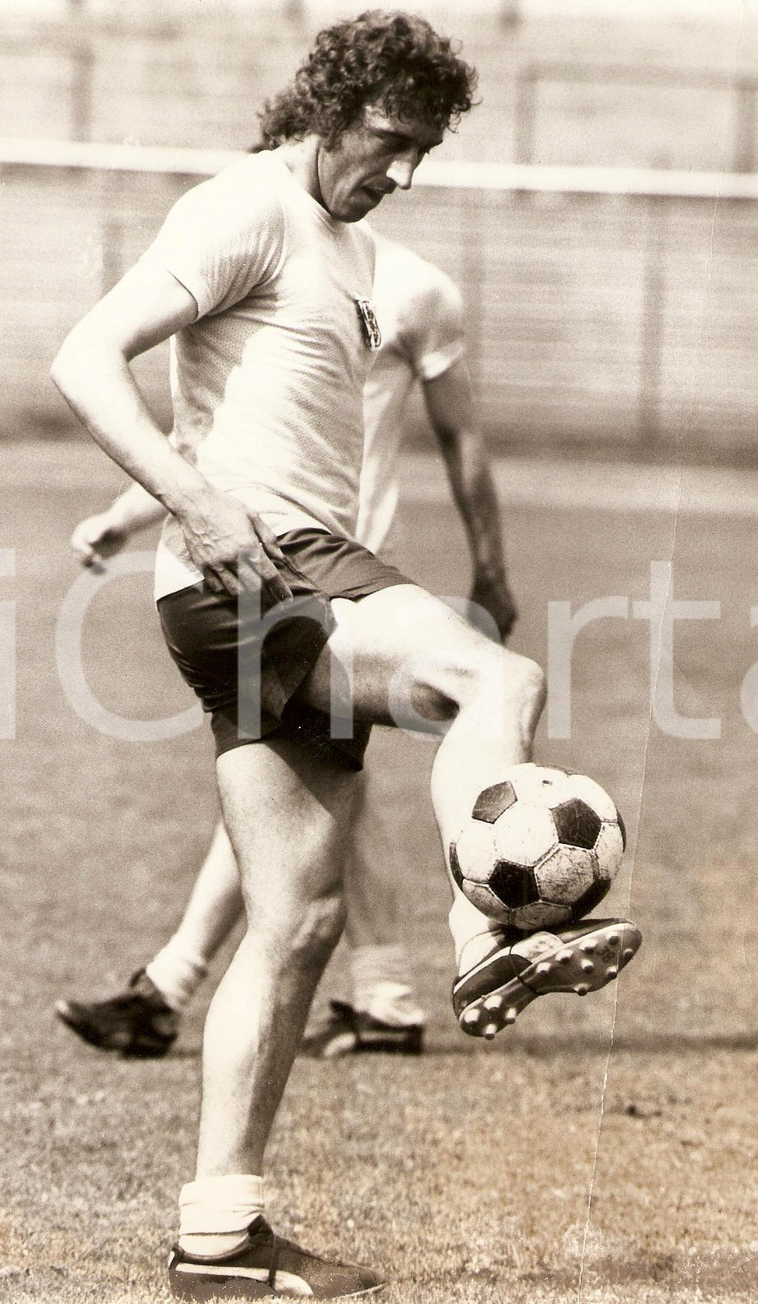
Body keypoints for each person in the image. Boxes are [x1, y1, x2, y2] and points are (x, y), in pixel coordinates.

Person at [50, 11, 641, 1301]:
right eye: (391, 143)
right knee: (497, 677)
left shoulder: (357, 250)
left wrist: (200, 510)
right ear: (330, 108)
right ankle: (482, 920)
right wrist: (194, 504)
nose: (405, 172)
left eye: (425, 152)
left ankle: (217, 1234)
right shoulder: (241, 208)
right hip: (272, 569)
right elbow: (83, 359)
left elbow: (240, 409)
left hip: (255, 589)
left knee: (299, 920)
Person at [55, 230, 520, 1059]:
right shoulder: (260, 261)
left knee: (303, 791)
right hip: (270, 562)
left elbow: (463, 438)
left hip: (338, 575)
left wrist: (491, 567)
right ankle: (369, 993)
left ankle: (183, 990)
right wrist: (129, 519)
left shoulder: (414, 290)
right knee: (304, 791)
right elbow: (223, 441)